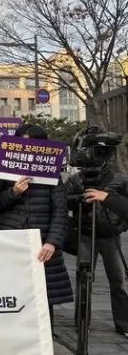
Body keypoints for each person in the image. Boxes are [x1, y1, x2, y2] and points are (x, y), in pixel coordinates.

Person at [0, 124, 73, 333]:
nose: (26, 148)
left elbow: (60, 210)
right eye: (21, 142)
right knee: (12, 295)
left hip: (42, 244)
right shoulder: (4, 172)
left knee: (43, 298)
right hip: (12, 241)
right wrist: (13, 192)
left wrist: (52, 242)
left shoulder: (52, 175)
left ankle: (44, 341)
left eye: (30, 143)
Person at [66, 126, 128, 338]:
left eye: (103, 151)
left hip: (111, 236)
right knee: (83, 280)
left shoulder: (119, 179)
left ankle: (123, 323)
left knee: (117, 281)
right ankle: (82, 322)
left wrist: (121, 225)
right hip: (85, 234)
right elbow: (63, 201)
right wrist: (80, 200)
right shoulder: (76, 179)